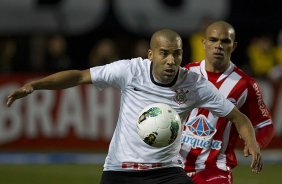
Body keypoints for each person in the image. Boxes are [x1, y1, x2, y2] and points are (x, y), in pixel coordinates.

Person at [6, 29, 262, 184]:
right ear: (151, 54)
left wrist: (250, 139)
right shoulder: (129, 71)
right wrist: (35, 85)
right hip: (120, 171)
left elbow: (239, 117)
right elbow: (78, 76)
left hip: (166, 172)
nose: (171, 60)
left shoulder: (194, 84)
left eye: (177, 53)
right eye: (164, 53)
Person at [180, 21, 274, 184]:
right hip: (176, 164)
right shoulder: (187, 73)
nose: (218, 45)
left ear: (234, 46)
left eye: (225, 41)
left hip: (215, 168)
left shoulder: (245, 84)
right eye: (213, 40)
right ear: (203, 42)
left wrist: (255, 144)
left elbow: (265, 124)